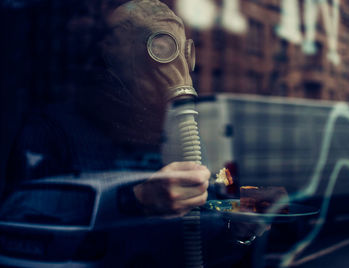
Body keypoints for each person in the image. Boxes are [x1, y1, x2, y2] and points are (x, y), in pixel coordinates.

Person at [3, 0, 267, 266]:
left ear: (189, 55)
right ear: (111, 56)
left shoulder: (187, 137)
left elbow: (200, 231)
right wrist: (133, 203)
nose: (173, 67)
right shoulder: (53, 130)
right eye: (158, 49)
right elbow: (21, 221)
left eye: (175, 51)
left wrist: (239, 229)